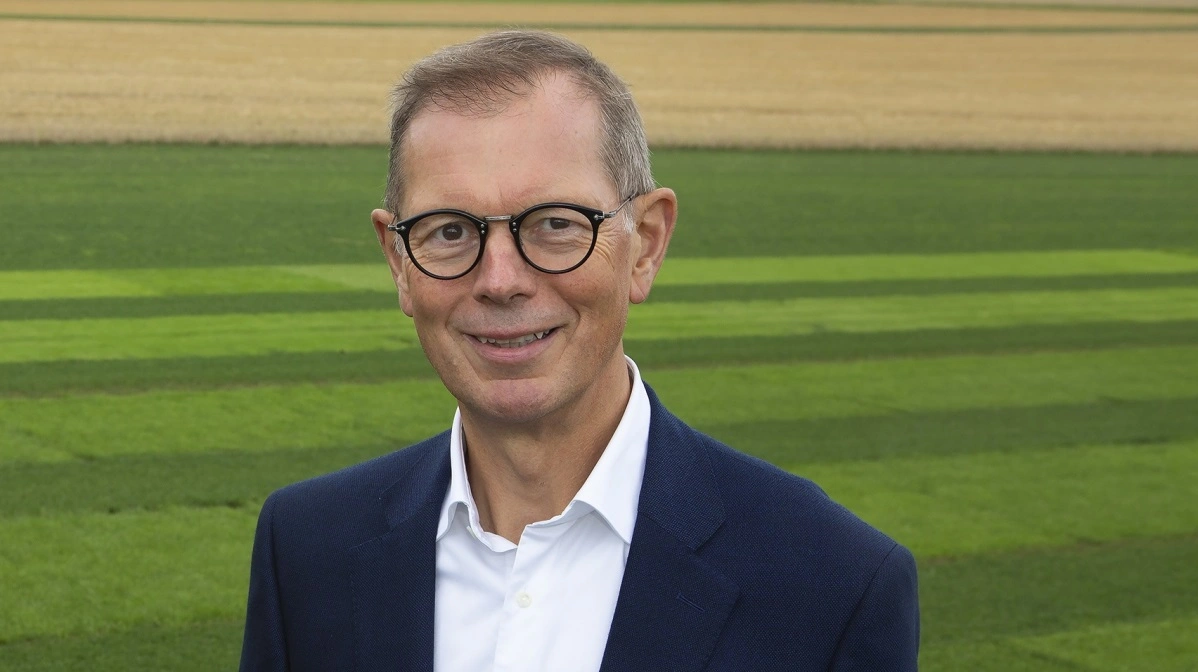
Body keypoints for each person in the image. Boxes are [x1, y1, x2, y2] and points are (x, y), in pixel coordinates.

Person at [239, 30, 918, 672]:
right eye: (449, 231)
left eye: (556, 224)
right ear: (398, 261)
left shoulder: (834, 582)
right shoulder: (305, 548)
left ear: (646, 243)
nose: (500, 280)